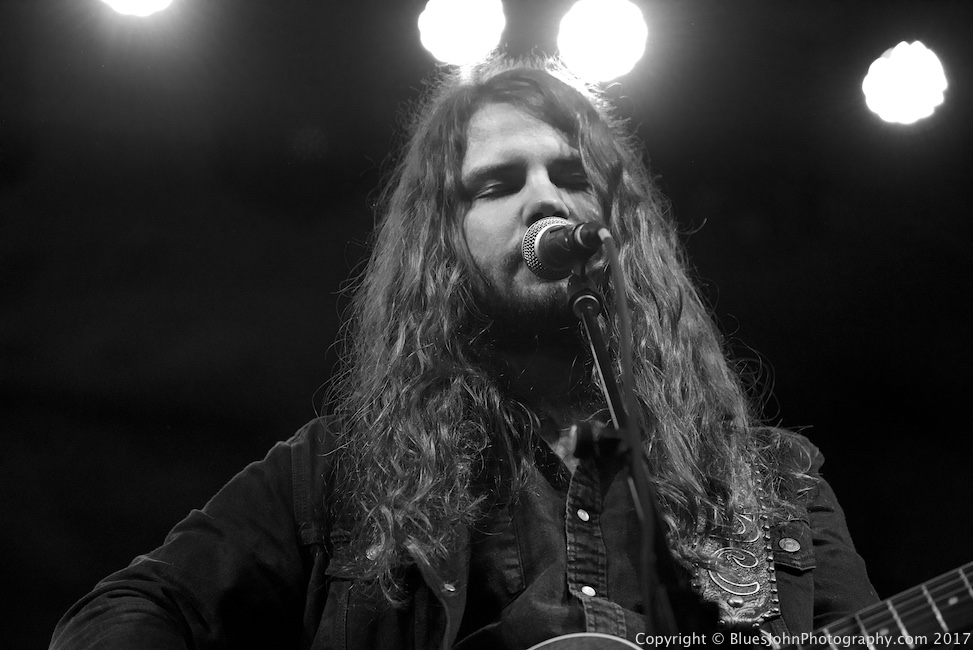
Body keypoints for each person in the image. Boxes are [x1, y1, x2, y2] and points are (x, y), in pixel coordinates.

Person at [51, 55, 878, 650]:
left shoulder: (770, 488)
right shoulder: (345, 476)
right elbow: (122, 613)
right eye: (497, 183)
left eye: (571, 176)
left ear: (618, 224)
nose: (545, 199)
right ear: (441, 245)